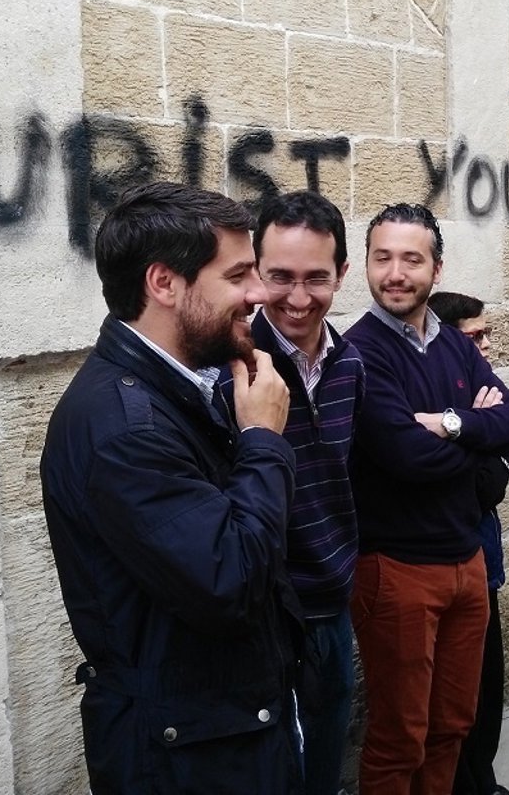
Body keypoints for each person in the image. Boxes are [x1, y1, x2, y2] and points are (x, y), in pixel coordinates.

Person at [40, 182, 300, 794]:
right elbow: (227, 577)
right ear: (164, 283)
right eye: (238, 275)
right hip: (186, 759)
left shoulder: (180, 385)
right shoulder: (123, 429)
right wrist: (263, 439)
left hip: (224, 727)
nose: (260, 295)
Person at [345, 203, 509, 795]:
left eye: (411, 259)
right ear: (367, 265)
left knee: (453, 725)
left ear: (436, 268)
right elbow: (408, 458)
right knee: (401, 735)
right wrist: (479, 434)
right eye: (382, 258)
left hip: (467, 562)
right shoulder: (360, 352)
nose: (395, 273)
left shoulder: (456, 344)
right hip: (397, 570)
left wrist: (449, 425)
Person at [217, 190, 365, 795]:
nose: (298, 299)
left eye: (316, 279)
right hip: (268, 616)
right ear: (255, 273)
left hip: (333, 606)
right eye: (279, 277)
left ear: (342, 276)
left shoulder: (350, 363)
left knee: (324, 765)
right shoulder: (229, 368)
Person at [426, 291, 509, 795]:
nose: (486, 345)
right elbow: (486, 485)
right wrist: (482, 431)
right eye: (474, 336)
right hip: (444, 566)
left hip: (484, 564)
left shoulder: (484, 390)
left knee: (487, 688)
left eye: (487, 333)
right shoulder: (434, 396)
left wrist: (479, 435)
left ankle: (482, 782)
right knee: (449, 698)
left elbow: (507, 447)